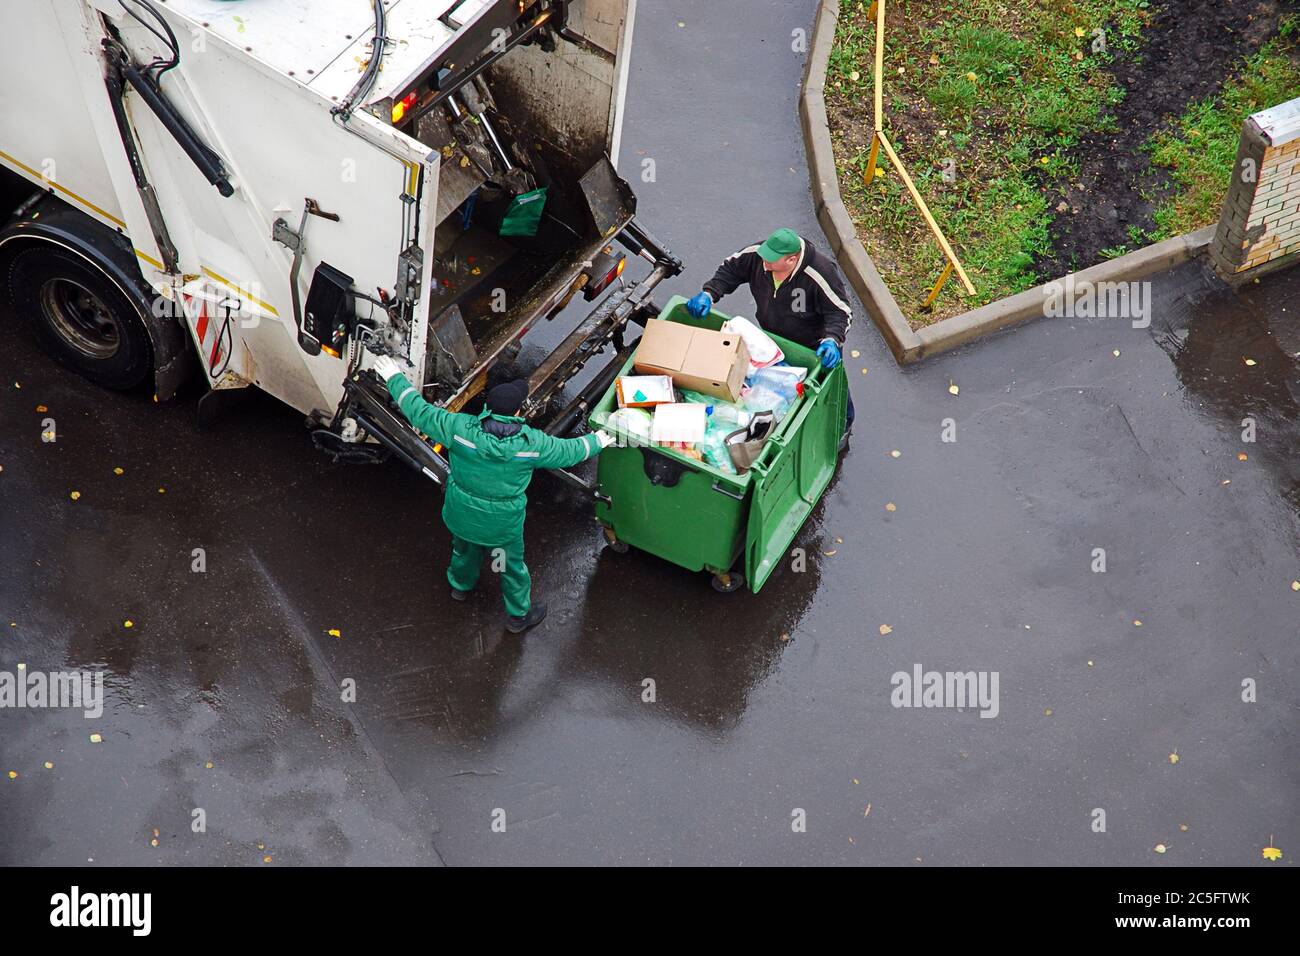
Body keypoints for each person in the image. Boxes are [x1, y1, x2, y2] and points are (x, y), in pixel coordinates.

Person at [373, 356, 615, 633]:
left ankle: (460, 587)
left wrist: (394, 377)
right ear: (516, 413)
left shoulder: (458, 429)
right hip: (502, 526)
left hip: (461, 514)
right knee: (511, 567)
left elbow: (418, 412)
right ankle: (517, 616)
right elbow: (570, 451)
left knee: (464, 549)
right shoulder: (531, 445)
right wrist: (598, 441)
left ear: (487, 407)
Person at [686, 227, 855, 447]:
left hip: (815, 346)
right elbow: (731, 270)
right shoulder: (759, 256)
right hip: (773, 338)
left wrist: (832, 339)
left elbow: (840, 312)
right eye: (765, 258)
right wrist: (709, 293)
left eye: (772, 261)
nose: (765, 264)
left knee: (833, 389)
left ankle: (844, 424)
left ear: (792, 260)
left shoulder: (819, 274)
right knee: (780, 385)